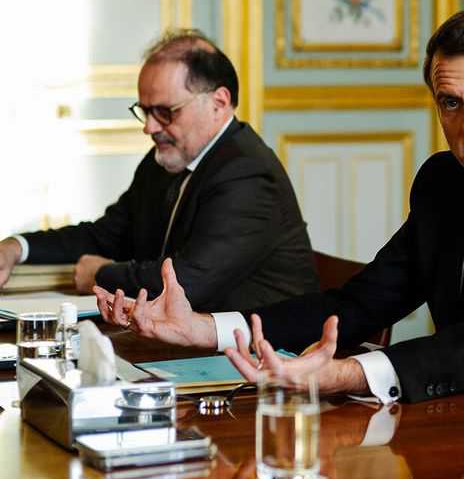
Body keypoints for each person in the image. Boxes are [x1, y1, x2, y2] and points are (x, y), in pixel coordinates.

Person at [96, 9, 464, 410]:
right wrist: (207, 329)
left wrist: (342, 375)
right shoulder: (444, 180)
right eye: (451, 102)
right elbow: (360, 302)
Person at [0, 30, 319, 311]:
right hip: (180, 340)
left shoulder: (247, 174)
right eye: (145, 111)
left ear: (218, 103)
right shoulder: (166, 158)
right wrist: (17, 247)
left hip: (260, 351)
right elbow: (106, 236)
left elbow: (185, 285)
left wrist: (101, 275)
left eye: (166, 112)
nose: (150, 127)